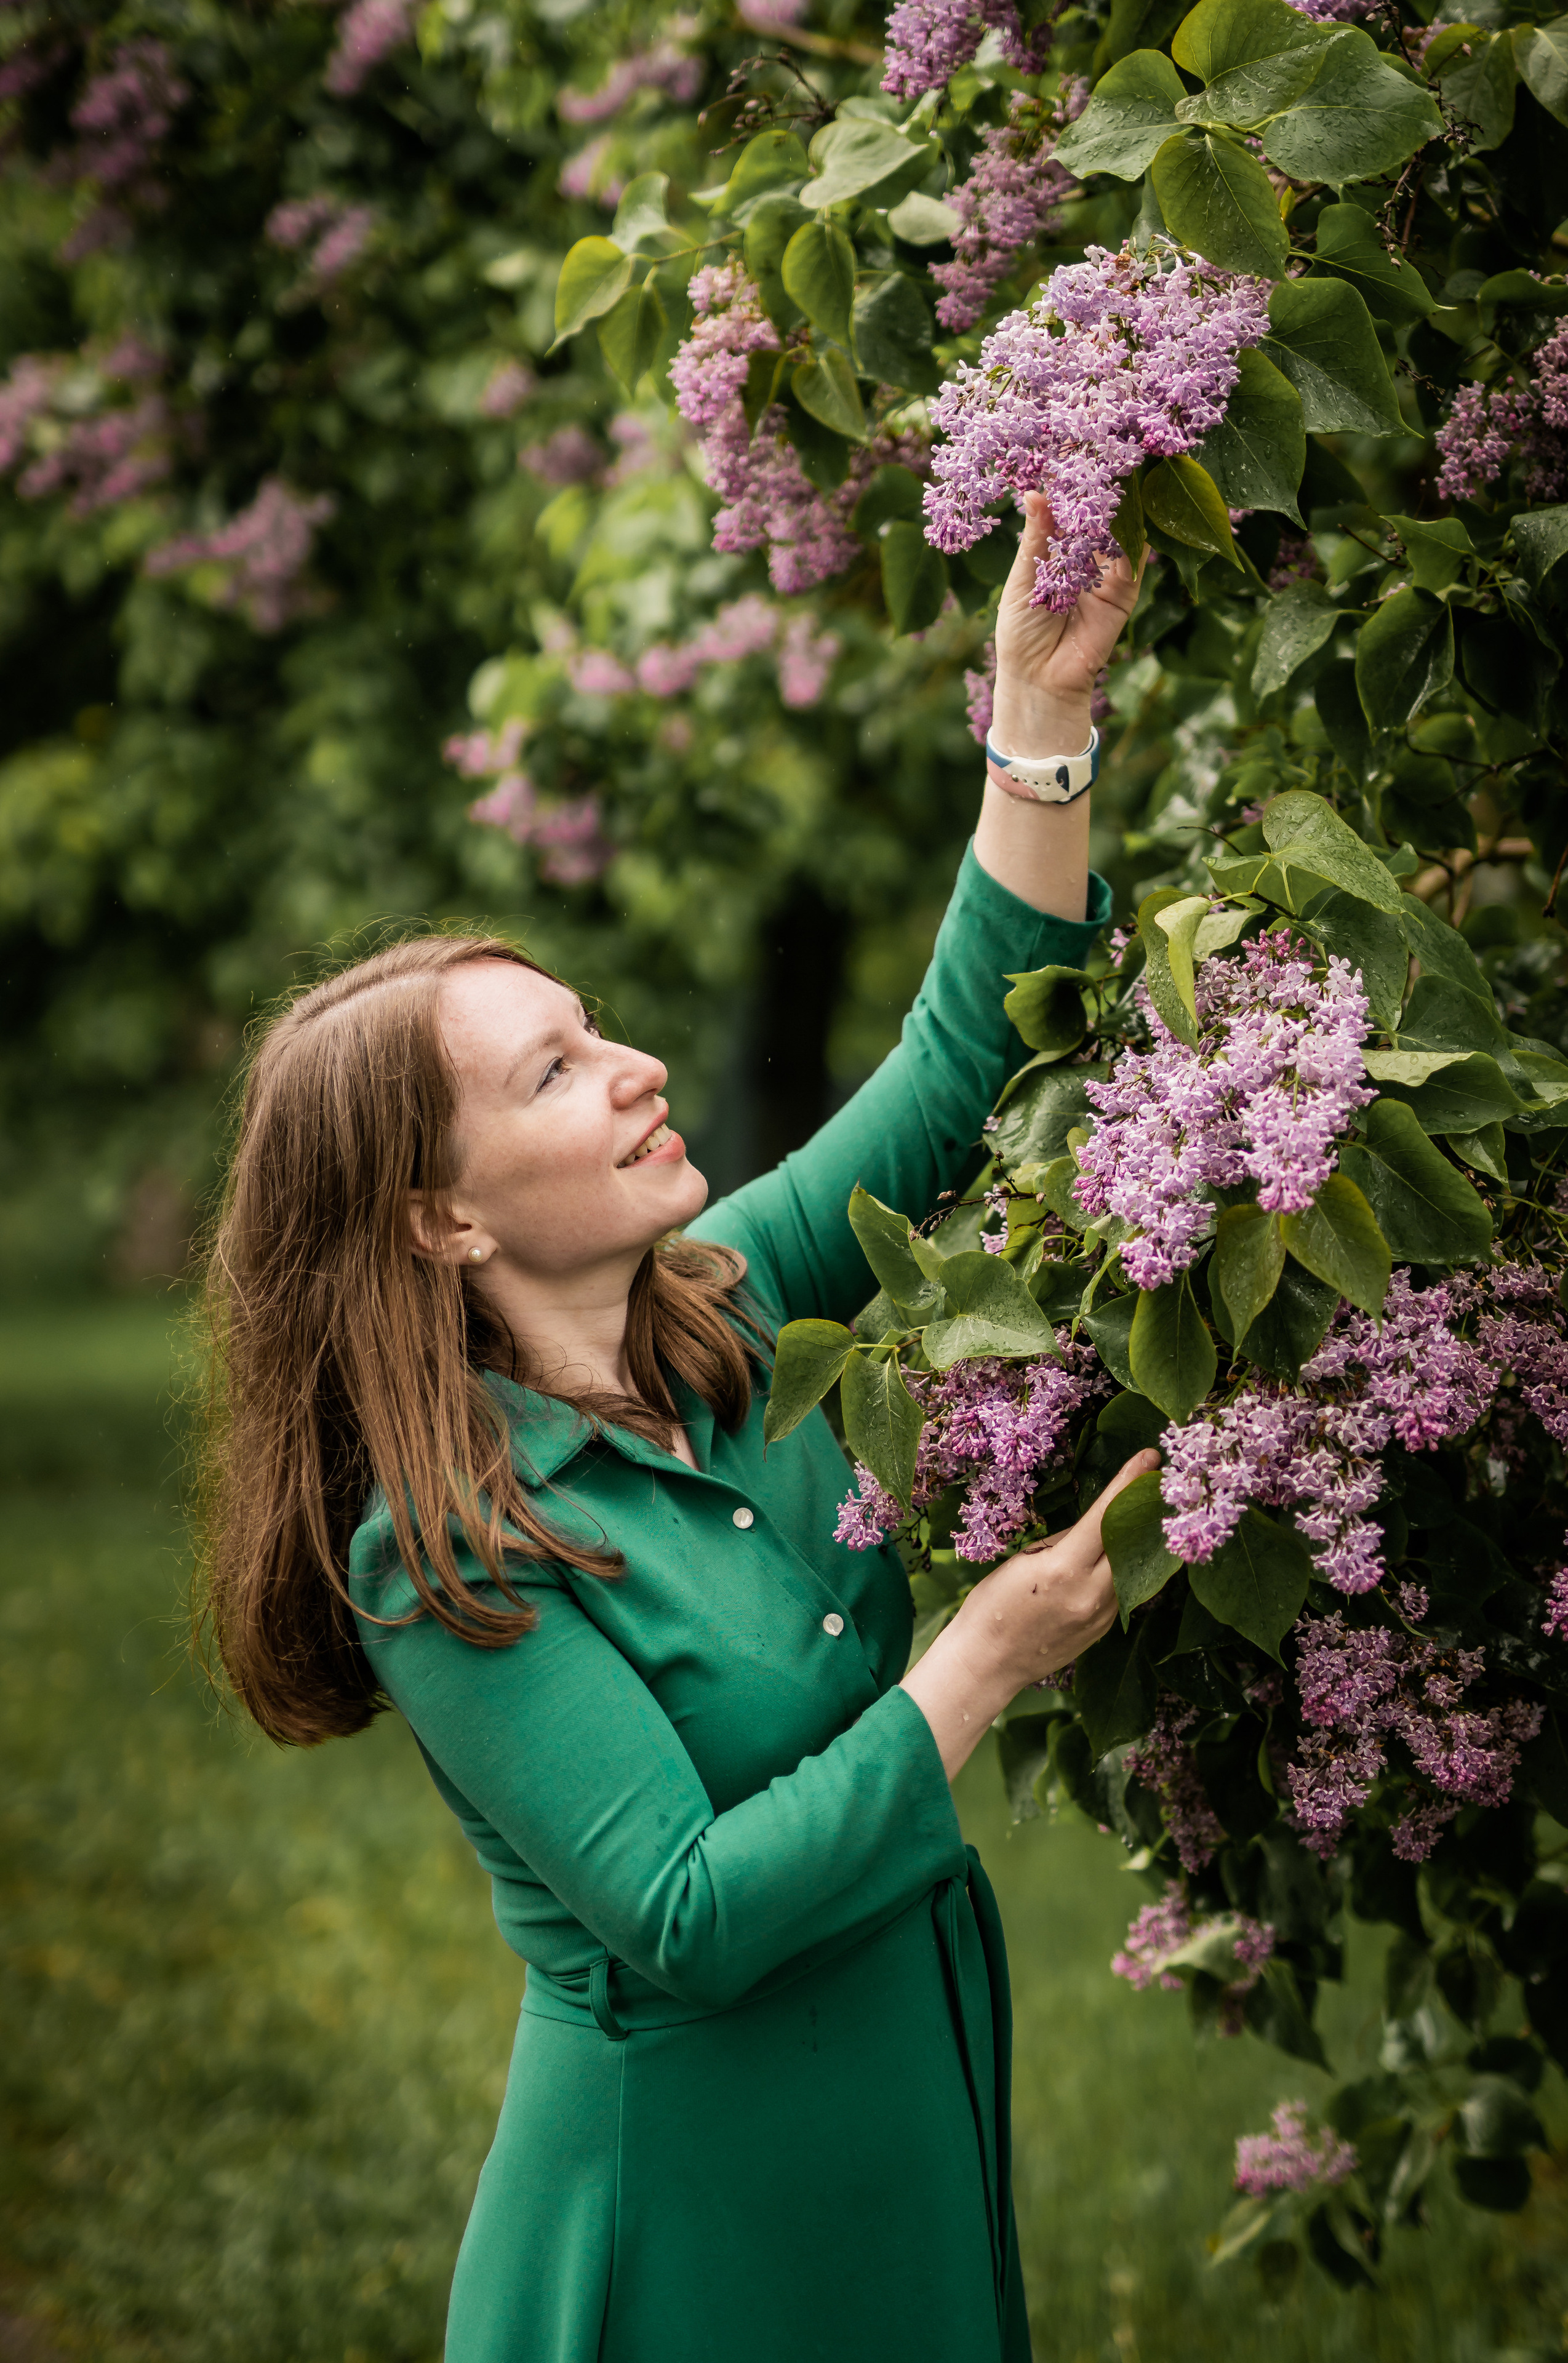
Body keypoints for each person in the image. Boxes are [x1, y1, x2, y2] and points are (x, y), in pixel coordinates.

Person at [195, 500, 1157, 2363]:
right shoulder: (442, 1542)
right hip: (689, 2217)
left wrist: (1038, 712)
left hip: (896, 2121)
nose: (634, 1066)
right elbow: (689, 1913)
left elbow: (960, 1056)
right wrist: (980, 1662)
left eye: (597, 1027)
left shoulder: (726, 1303)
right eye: (552, 1072)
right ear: (440, 1220)